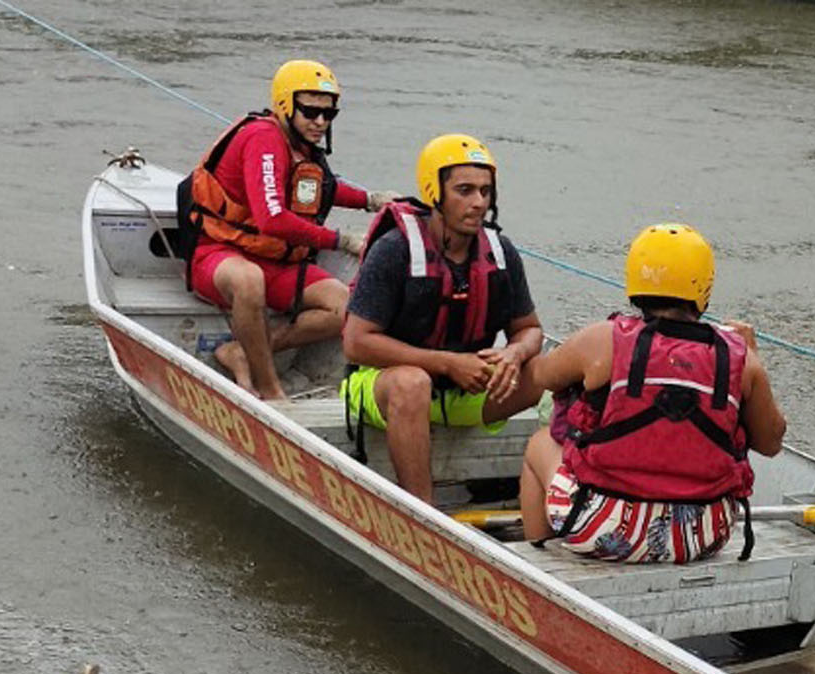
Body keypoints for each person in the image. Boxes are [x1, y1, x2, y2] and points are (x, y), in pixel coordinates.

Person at [499, 223, 786, 563]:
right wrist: (752, 356)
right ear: (703, 286)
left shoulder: (602, 339)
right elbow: (770, 443)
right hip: (704, 534)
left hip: (603, 530)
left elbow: (541, 375)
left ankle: (541, 562)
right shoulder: (740, 358)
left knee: (540, 443)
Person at [340, 134, 543, 504]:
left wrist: (514, 354)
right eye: (465, 190)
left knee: (550, 371)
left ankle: (550, 500)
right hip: (383, 385)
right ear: (434, 192)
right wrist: (448, 364)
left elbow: (528, 329)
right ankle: (421, 514)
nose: (479, 202)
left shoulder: (501, 252)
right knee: (412, 384)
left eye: (485, 191)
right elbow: (356, 343)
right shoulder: (394, 250)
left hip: (464, 390)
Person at [180, 59, 394, 402]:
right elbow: (273, 219)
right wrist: (341, 240)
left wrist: (371, 200)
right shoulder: (263, 138)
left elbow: (316, 189)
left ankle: (241, 352)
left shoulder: (300, 144)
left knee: (348, 308)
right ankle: (270, 389)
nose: (320, 121)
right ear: (285, 105)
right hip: (221, 254)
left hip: (277, 262)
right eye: (310, 111)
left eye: (329, 113)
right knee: (249, 280)